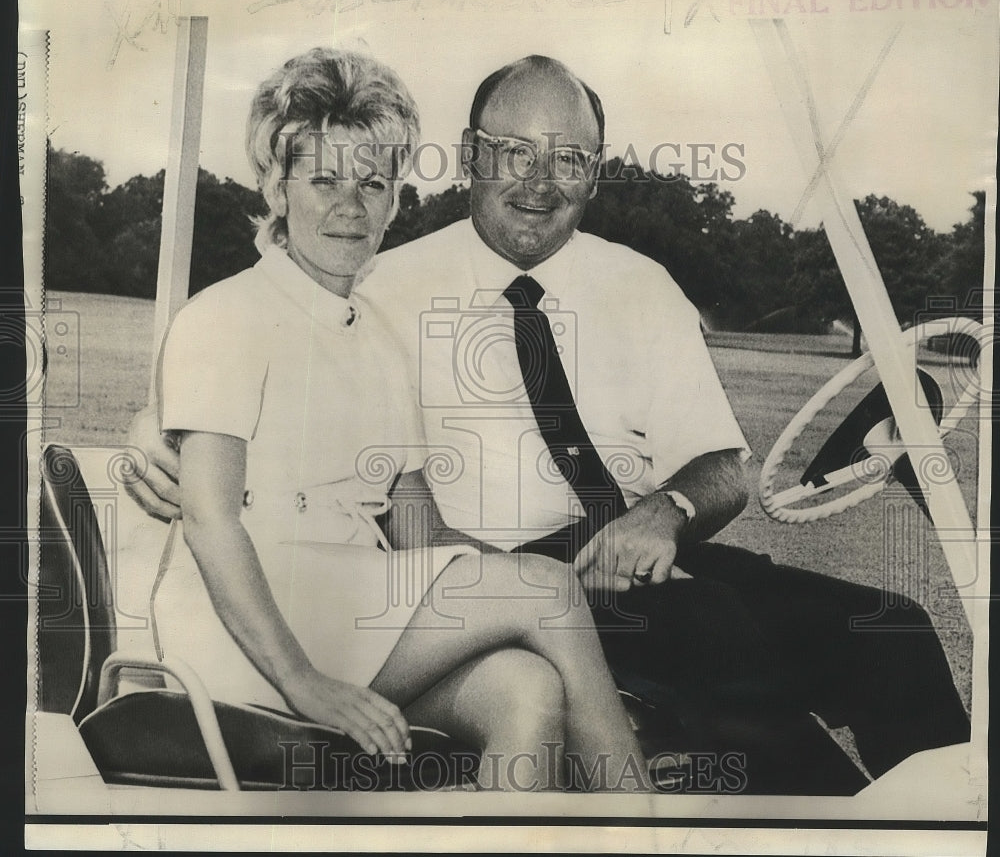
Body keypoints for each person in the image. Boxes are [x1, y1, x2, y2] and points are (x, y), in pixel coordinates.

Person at [130, 54, 970, 794]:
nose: (540, 180)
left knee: (892, 627)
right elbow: (250, 363)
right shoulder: (377, 282)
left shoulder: (644, 286)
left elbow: (722, 465)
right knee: (718, 636)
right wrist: (154, 429)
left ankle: (948, 823)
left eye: (569, 157)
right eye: (513, 153)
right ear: (468, 158)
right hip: (488, 570)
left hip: (652, 555)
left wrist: (664, 514)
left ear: (596, 173)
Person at [149, 47, 650, 794]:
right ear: (276, 188)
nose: (350, 206)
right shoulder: (226, 317)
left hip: (348, 611)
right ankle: (644, 829)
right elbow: (211, 523)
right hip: (243, 633)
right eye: (323, 179)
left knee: (528, 687)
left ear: (395, 200)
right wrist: (305, 682)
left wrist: (548, 579)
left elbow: (425, 534)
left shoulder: (375, 338)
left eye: (373, 182)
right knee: (544, 592)